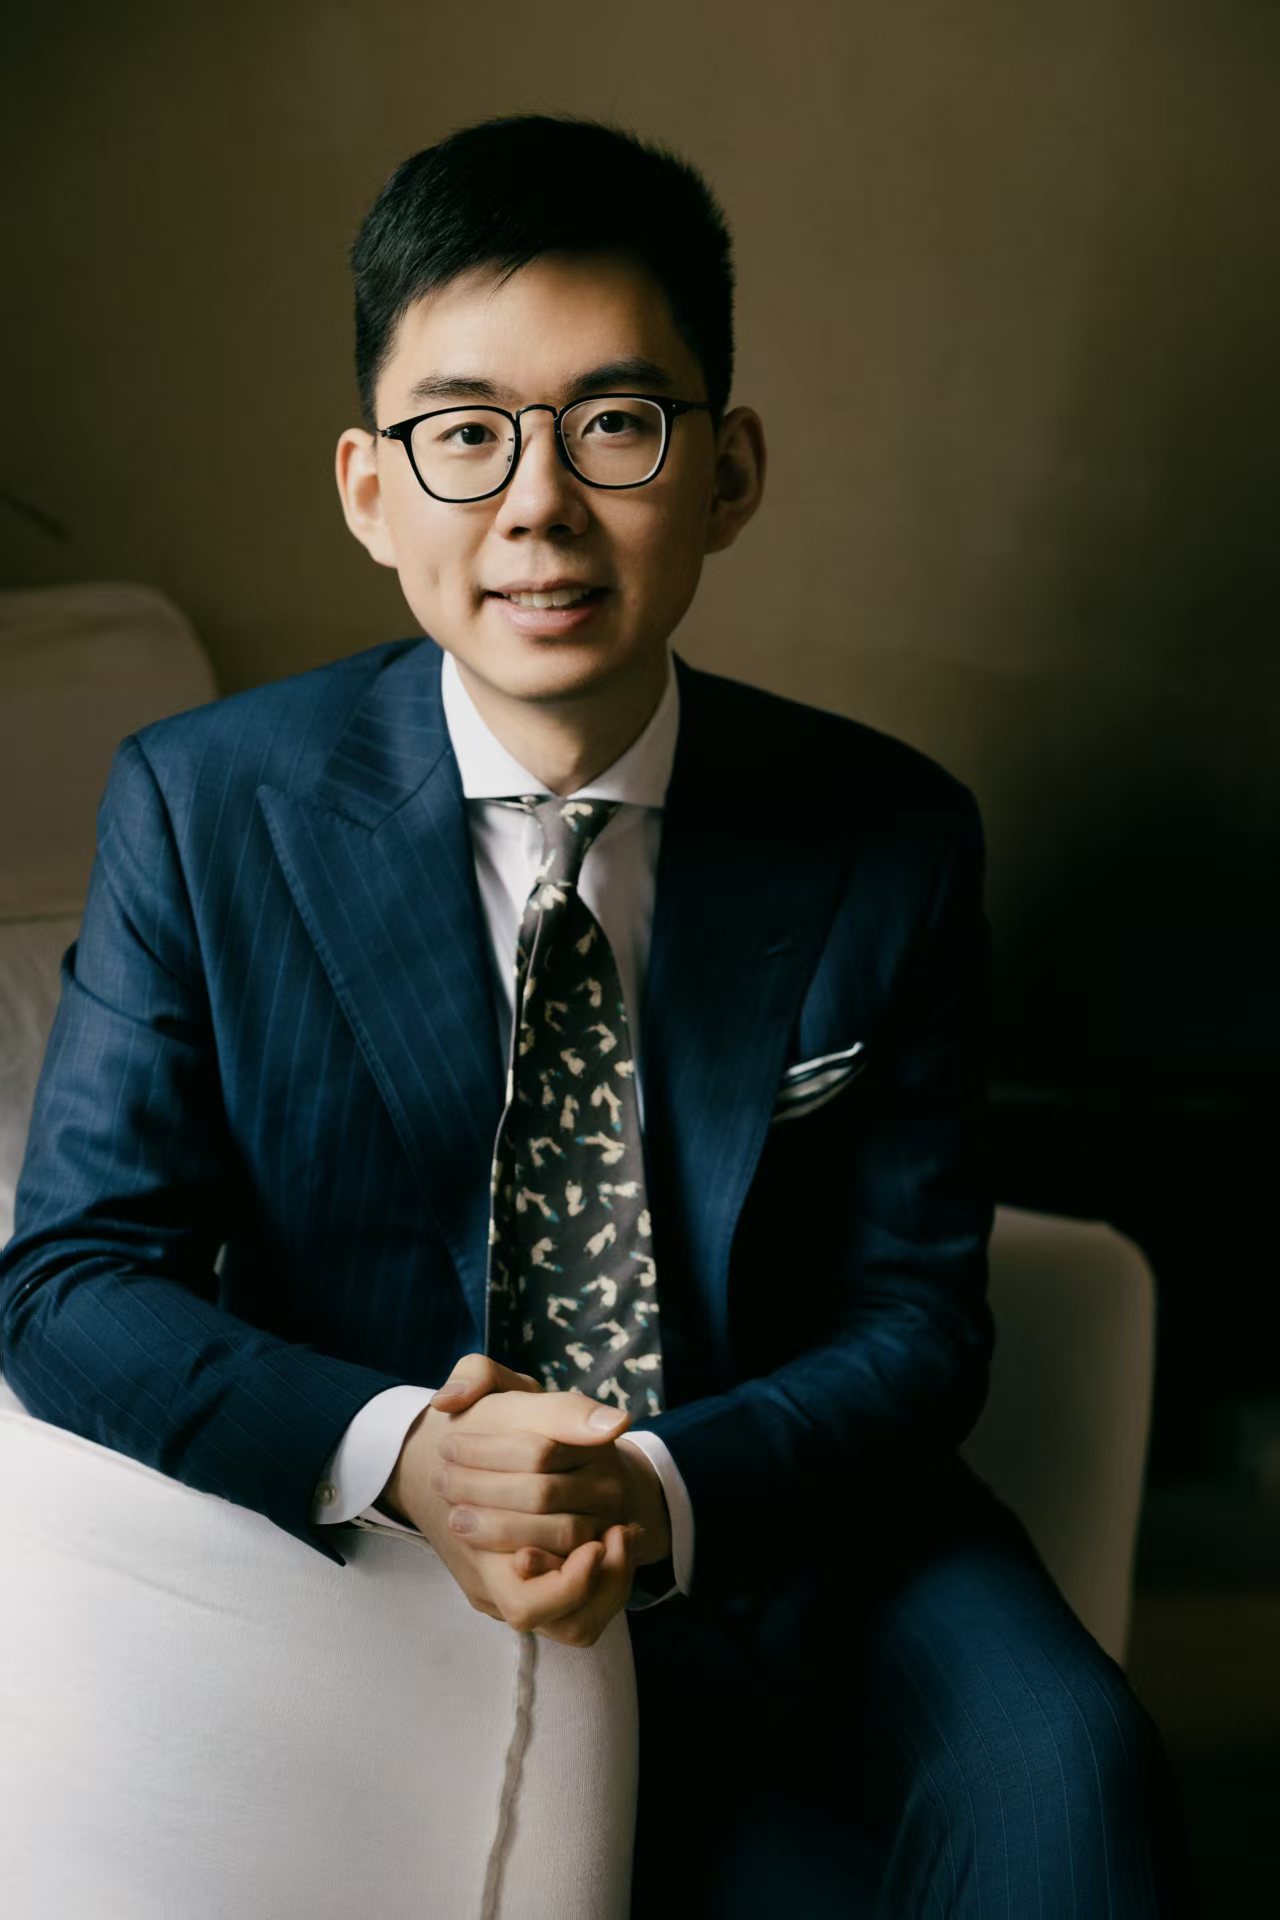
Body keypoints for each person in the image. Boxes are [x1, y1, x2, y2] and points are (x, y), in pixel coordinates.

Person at [0, 112, 1201, 1915]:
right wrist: (405, 1454)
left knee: (1074, 1778)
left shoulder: (886, 833)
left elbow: (917, 1319)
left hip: (791, 1517)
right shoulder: (205, 805)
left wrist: (660, 1485)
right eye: (465, 434)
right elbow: (71, 1280)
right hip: (390, 1556)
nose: (538, 506)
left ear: (729, 474)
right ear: (370, 489)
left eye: (615, 423)